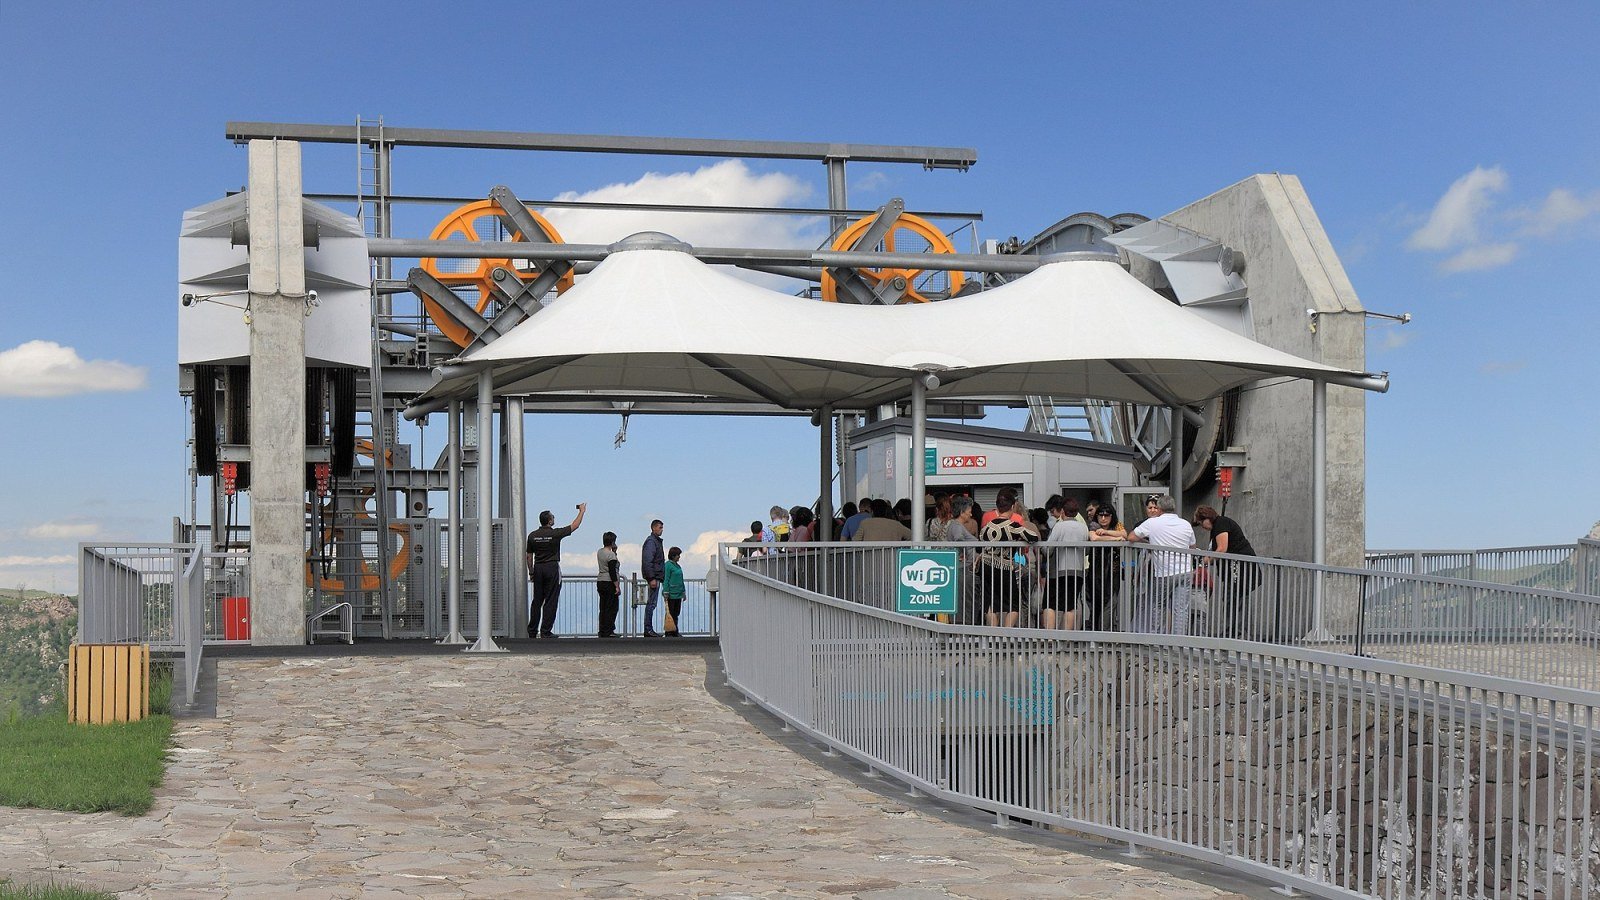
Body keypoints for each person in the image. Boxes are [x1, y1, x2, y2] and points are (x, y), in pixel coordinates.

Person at [1127, 495, 1196, 634]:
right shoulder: (1185, 524)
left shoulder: (1152, 523)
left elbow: (1131, 537)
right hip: (1186, 571)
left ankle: (1157, 638)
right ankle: (1178, 644)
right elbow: (1192, 546)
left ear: (1159, 509)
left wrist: (1150, 543)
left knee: (1158, 605)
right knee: (1181, 609)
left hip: (1164, 572)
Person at [1192, 505, 1259, 637]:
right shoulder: (1219, 526)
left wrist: (1205, 561)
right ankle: (1234, 631)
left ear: (1207, 518)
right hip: (1235, 569)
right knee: (1232, 599)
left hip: (1239, 568)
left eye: (1201, 523)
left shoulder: (1221, 524)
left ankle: (1237, 632)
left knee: (1236, 599)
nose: (1202, 527)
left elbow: (1222, 548)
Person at [525, 503, 585, 638]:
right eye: (553, 517)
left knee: (537, 600)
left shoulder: (532, 536)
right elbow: (574, 526)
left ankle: (532, 630)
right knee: (551, 600)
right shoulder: (555, 534)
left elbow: (529, 556)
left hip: (538, 567)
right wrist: (582, 511)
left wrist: (531, 571)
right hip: (551, 567)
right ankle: (546, 631)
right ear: (550, 521)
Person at [978, 495, 1035, 627]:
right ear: (1012, 507)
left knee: (990, 602)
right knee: (1014, 603)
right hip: (1004, 567)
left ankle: (993, 634)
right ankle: (1006, 632)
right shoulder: (1012, 526)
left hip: (986, 566)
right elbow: (1033, 537)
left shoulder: (986, 528)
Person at [1044, 496, 1089, 630]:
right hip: (1077, 570)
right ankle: (1066, 638)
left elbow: (1048, 549)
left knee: (1050, 604)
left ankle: (1049, 638)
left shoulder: (1059, 526)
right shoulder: (1083, 528)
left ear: (1063, 511)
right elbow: (1086, 551)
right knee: (1070, 605)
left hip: (1058, 570)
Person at [1086, 504, 1128, 630]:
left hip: (1113, 571)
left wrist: (1106, 532)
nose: (1103, 518)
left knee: (1111, 601)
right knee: (1096, 602)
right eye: (1100, 515)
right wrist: (1114, 539)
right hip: (1096, 570)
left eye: (1107, 515)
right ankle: (1096, 632)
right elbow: (1094, 538)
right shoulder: (1093, 525)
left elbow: (1124, 535)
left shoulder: (1117, 525)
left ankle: (1105, 632)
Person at [641, 519, 666, 637]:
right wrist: (651, 578)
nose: (662, 530)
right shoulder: (652, 542)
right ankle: (648, 629)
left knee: (652, 603)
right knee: (651, 604)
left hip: (655, 576)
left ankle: (649, 628)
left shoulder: (654, 541)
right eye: (660, 527)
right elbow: (648, 560)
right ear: (654, 528)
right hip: (654, 576)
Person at [595, 531, 621, 638]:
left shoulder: (600, 552)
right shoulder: (611, 555)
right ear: (613, 541)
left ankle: (602, 629)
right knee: (612, 607)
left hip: (600, 581)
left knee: (603, 607)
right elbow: (612, 571)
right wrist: (617, 586)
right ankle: (609, 630)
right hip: (609, 582)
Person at [662, 546, 686, 637]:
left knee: (676, 612)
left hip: (678, 593)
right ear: (673, 555)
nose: (679, 557)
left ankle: (675, 629)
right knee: (670, 612)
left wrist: (683, 591)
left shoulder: (678, 566)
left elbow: (681, 579)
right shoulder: (668, 565)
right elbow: (666, 579)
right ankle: (669, 631)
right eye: (678, 555)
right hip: (671, 593)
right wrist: (666, 591)